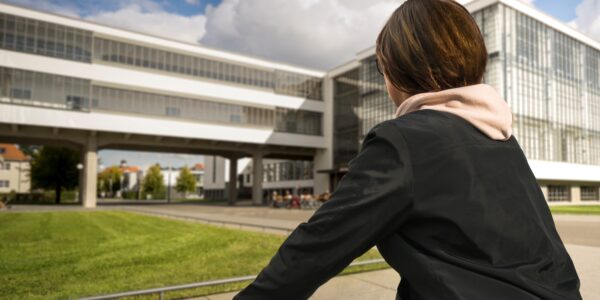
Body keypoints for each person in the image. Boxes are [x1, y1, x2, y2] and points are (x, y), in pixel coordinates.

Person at [233, 0, 581, 299]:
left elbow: (314, 248)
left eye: (384, 69)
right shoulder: (501, 137)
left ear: (401, 71)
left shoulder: (403, 142)